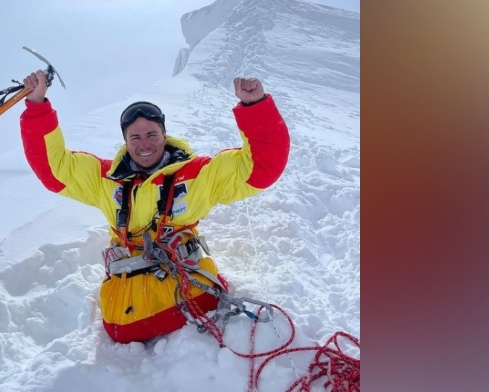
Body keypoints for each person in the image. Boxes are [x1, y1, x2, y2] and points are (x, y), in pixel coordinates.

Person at [19, 70, 290, 344]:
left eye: (151, 134)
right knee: (122, 327)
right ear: (125, 142)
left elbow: (261, 168)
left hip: (190, 290)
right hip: (127, 307)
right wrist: (37, 106)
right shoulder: (104, 179)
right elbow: (54, 169)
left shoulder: (198, 175)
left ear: (164, 134)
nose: (145, 144)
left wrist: (255, 107)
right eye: (135, 137)